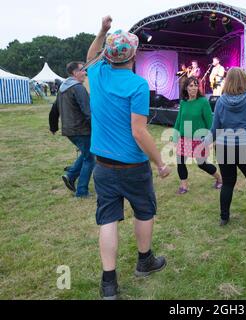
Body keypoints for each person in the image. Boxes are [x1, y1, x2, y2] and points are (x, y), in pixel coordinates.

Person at [86, 16, 171, 300]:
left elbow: (89, 56)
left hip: (103, 167)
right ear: (134, 54)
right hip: (134, 167)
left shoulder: (97, 74)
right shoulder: (137, 85)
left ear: (107, 54)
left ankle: (108, 283)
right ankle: (144, 262)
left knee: (107, 220)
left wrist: (102, 31)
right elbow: (139, 132)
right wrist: (160, 162)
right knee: (144, 211)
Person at [208, 67, 246, 229]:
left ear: (227, 81)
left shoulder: (220, 101)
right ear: (244, 81)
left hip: (223, 147)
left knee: (228, 183)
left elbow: (214, 129)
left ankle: (224, 218)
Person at [49, 61, 95, 198]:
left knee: (87, 153)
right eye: (83, 70)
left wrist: (53, 127)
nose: (85, 73)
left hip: (69, 130)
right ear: (75, 73)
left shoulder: (63, 88)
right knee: (90, 158)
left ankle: (70, 175)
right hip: (81, 129)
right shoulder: (78, 88)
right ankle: (81, 192)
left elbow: (54, 110)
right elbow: (87, 112)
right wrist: (97, 129)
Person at [172, 76, 222, 194]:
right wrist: (175, 135)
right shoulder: (183, 103)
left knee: (202, 164)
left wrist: (211, 138)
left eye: (195, 85)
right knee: (180, 161)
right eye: (191, 85)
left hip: (199, 138)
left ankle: (219, 178)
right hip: (185, 138)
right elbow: (179, 121)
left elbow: (210, 122)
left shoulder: (203, 102)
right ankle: (184, 186)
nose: (194, 88)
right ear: (186, 88)